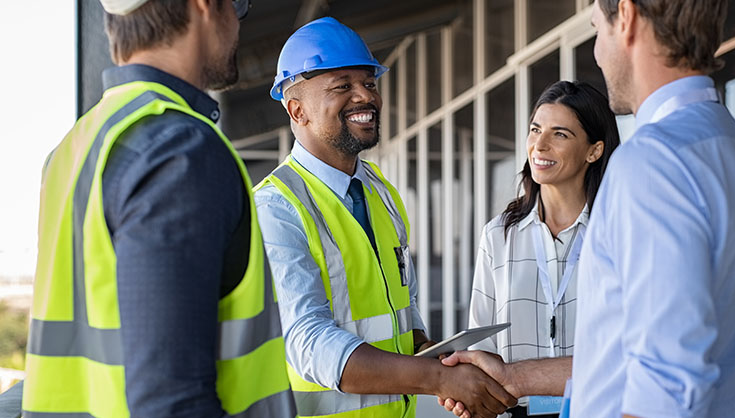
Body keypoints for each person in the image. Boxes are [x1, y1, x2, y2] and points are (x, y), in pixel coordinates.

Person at [443, 0, 735, 417]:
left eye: (595, 29)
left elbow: (664, 383)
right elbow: (628, 359)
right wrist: (515, 379)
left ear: (624, 17)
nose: (596, 52)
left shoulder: (653, 161)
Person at [22, 1, 296, 417]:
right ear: (204, 6)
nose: (239, 22)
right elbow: (171, 404)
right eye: (236, 5)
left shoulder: (74, 147)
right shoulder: (179, 151)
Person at [253, 16, 516, 418]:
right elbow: (309, 343)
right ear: (297, 110)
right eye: (343, 86)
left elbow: (400, 312)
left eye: (369, 84)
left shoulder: (378, 189)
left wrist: (437, 359)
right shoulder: (277, 207)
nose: (366, 97)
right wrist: (438, 380)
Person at [467, 80, 619, 418]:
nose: (540, 145)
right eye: (536, 130)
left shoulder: (619, 233)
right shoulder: (498, 236)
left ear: (594, 150)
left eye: (560, 134)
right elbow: (482, 345)